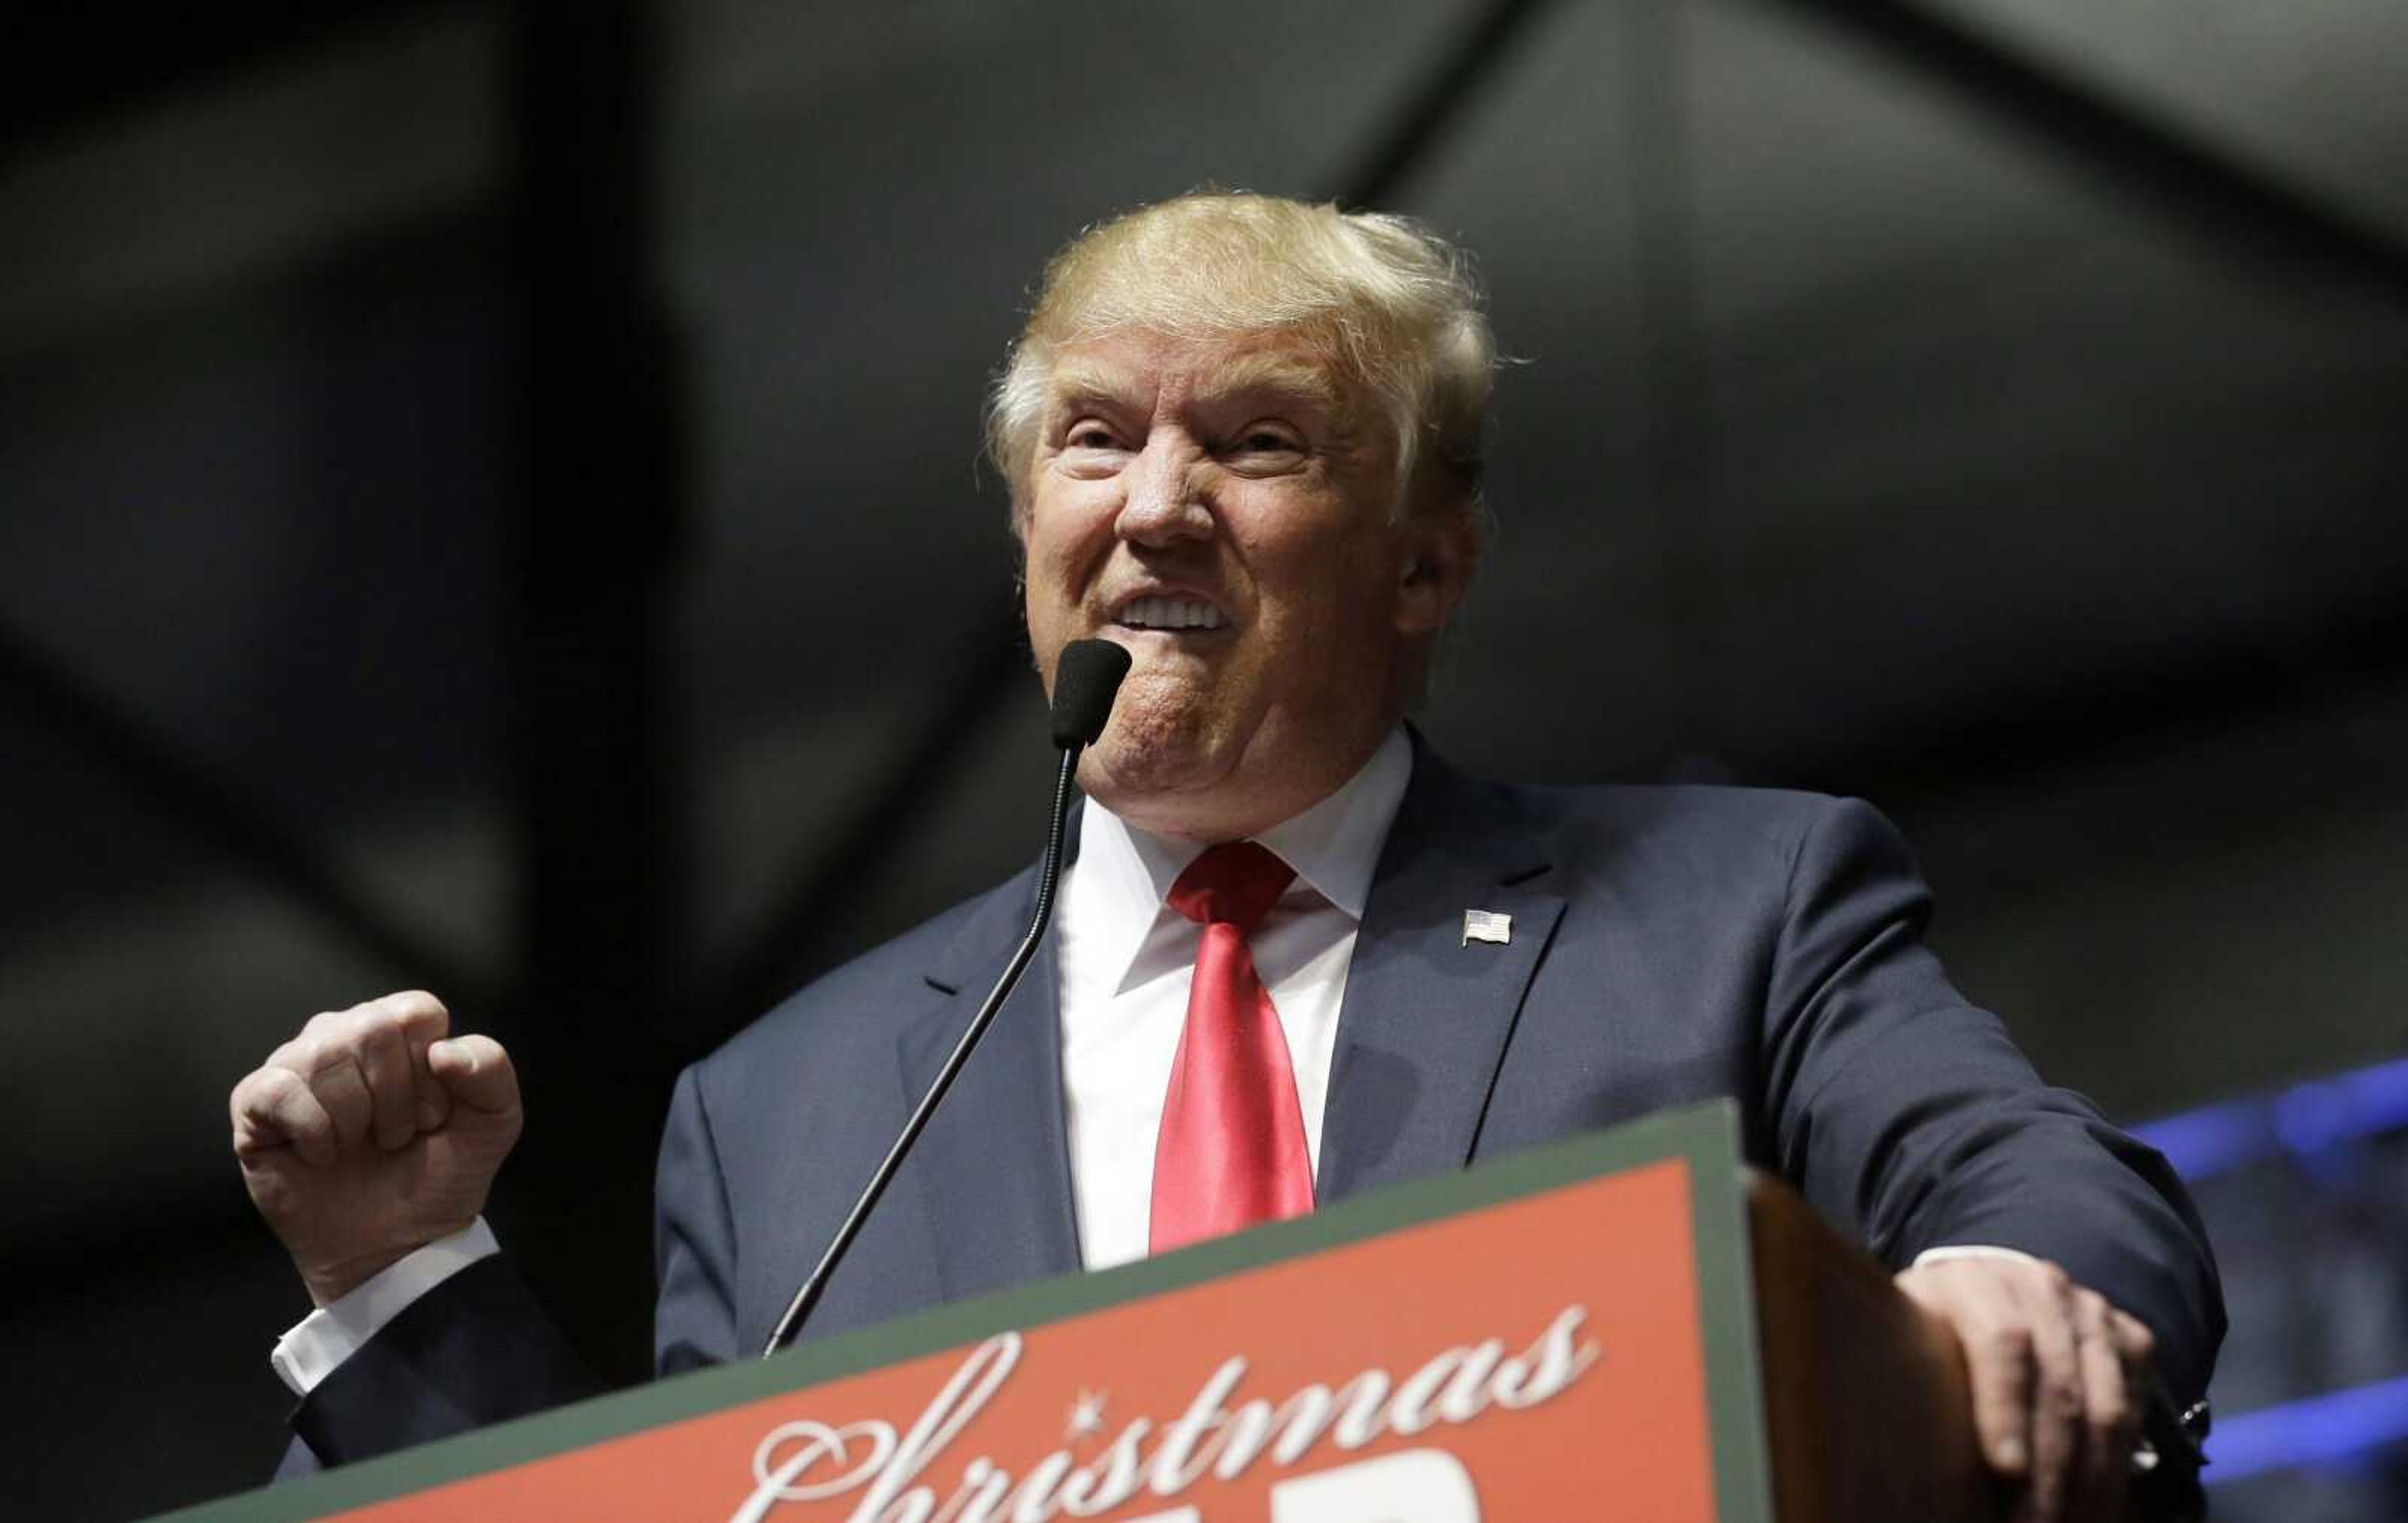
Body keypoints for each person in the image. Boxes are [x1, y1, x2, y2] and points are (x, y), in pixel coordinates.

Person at [231, 192, 2221, 1520]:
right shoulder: (791, 1116)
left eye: (1260, 443)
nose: (1158, 507)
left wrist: (2001, 1279)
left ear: (1426, 563)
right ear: (1030, 531)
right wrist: (398, 1283)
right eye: (1094, 441)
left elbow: (2041, 1183)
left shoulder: (1730, 912)